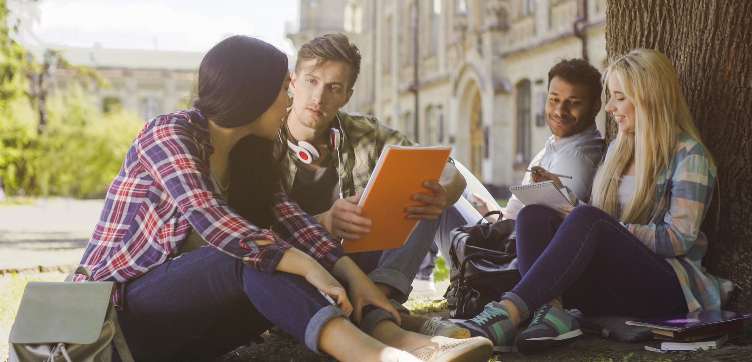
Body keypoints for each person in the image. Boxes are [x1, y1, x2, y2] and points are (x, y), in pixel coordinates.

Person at [75, 35, 492, 362]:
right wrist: (312, 268)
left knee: (290, 249)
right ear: (251, 92)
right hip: (118, 323)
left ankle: (386, 327)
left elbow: (297, 225)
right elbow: (217, 224)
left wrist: (356, 280)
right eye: (283, 88)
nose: (291, 98)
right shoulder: (168, 135)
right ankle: (380, 353)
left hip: (192, 337)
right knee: (251, 253)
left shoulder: (251, 155)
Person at [456, 49, 729, 354]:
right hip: (611, 286)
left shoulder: (689, 156)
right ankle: (552, 314)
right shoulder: (618, 150)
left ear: (649, 98)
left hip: (666, 288)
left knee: (588, 219)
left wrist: (605, 224)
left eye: (619, 97)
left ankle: (508, 311)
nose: (610, 107)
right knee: (533, 214)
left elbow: (678, 240)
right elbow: (598, 220)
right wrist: (563, 197)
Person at [235, 33, 470, 338]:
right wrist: (326, 222)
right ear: (292, 82)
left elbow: (449, 172)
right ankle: (383, 319)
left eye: (334, 88)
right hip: (298, 269)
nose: (319, 97)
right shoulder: (262, 137)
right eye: (311, 81)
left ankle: (379, 304)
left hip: (363, 264)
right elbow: (247, 230)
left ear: (347, 95)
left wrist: (443, 192)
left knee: (423, 188)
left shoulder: (363, 132)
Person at [433, 58, 607, 272]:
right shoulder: (559, 144)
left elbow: (543, 233)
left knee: (432, 190)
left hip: (501, 262)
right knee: (451, 168)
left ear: (595, 106)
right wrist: (494, 212)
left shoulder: (577, 159)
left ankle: (410, 277)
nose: (560, 111)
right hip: (506, 234)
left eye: (573, 103)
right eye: (554, 99)